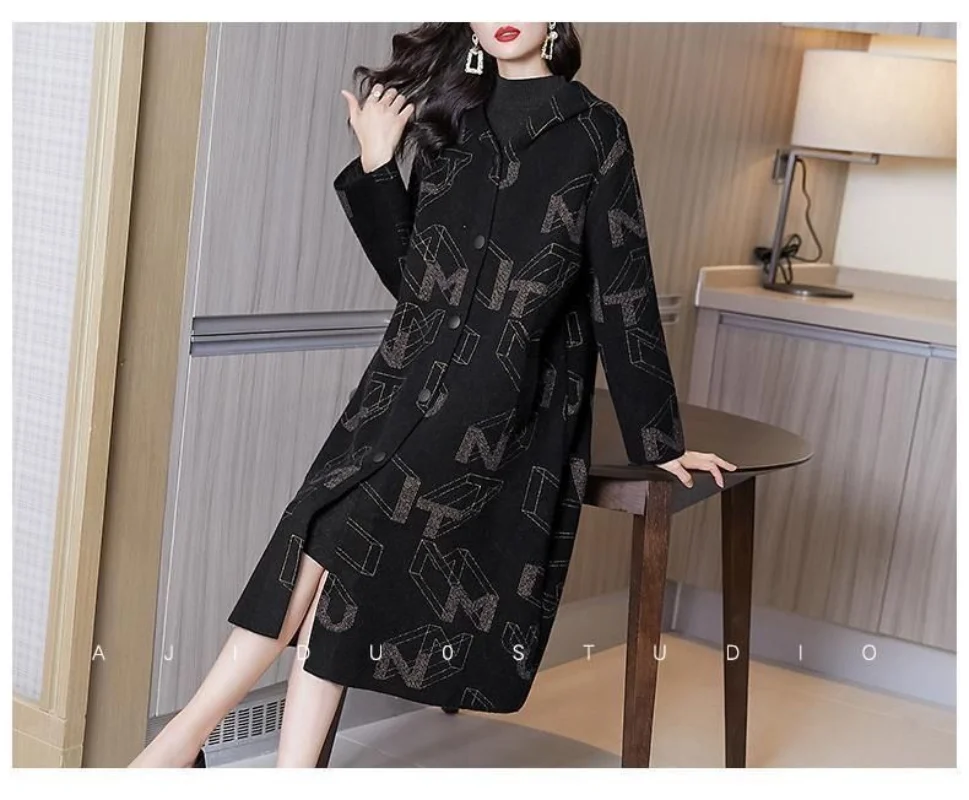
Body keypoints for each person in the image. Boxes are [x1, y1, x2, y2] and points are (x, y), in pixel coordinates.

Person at [129, 21, 735, 769]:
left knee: (326, 538)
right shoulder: (454, 119)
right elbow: (418, 282)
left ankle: (174, 748)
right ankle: (256, 766)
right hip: (400, 387)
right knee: (331, 561)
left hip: (499, 402)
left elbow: (624, 289)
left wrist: (660, 442)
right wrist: (378, 163)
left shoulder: (594, 131)